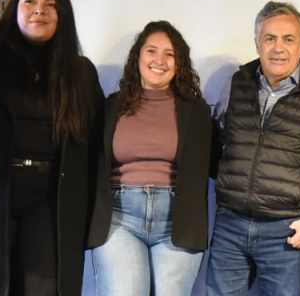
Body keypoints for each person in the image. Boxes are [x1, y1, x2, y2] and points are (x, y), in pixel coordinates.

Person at [0, 0, 104, 296]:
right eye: (30, 1)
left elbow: (96, 142)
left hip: (51, 199)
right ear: (14, 9)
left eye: (50, 5)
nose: (39, 10)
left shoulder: (80, 72)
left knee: (43, 288)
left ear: (62, 16)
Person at [208, 1, 300, 296]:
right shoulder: (236, 84)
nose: (278, 48)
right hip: (230, 226)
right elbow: (216, 146)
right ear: (257, 43)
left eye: (288, 39)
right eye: (269, 38)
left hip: (285, 231)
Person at [87, 21, 213, 295]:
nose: (159, 60)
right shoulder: (112, 106)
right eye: (151, 51)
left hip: (178, 221)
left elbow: (214, 163)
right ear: (138, 56)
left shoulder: (197, 111)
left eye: (170, 54)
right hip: (119, 219)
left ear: (179, 63)